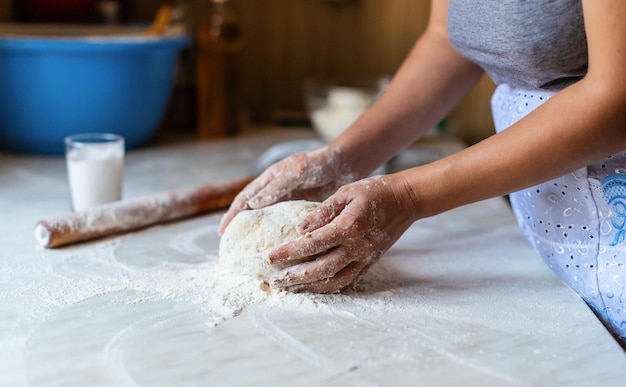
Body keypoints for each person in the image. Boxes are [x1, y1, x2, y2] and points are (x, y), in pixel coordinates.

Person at [219, 0, 626, 347]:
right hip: (554, 226)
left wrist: (410, 196)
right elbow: (448, 38)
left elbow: (616, 100)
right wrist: (345, 156)